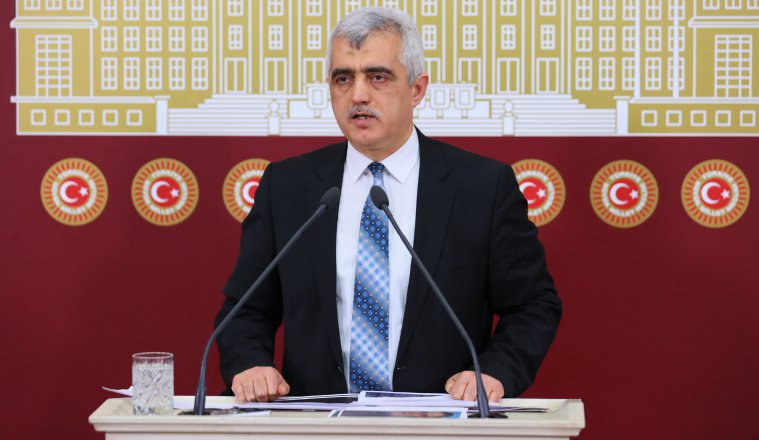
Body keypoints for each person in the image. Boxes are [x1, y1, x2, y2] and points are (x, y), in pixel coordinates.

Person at [215, 7, 561, 404]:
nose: (358, 95)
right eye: (343, 78)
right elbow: (244, 309)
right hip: (316, 421)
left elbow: (533, 305)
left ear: (417, 88)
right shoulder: (288, 186)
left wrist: (495, 371)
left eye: (378, 77)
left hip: (441, 419)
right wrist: (250, 363)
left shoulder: (482, 187)